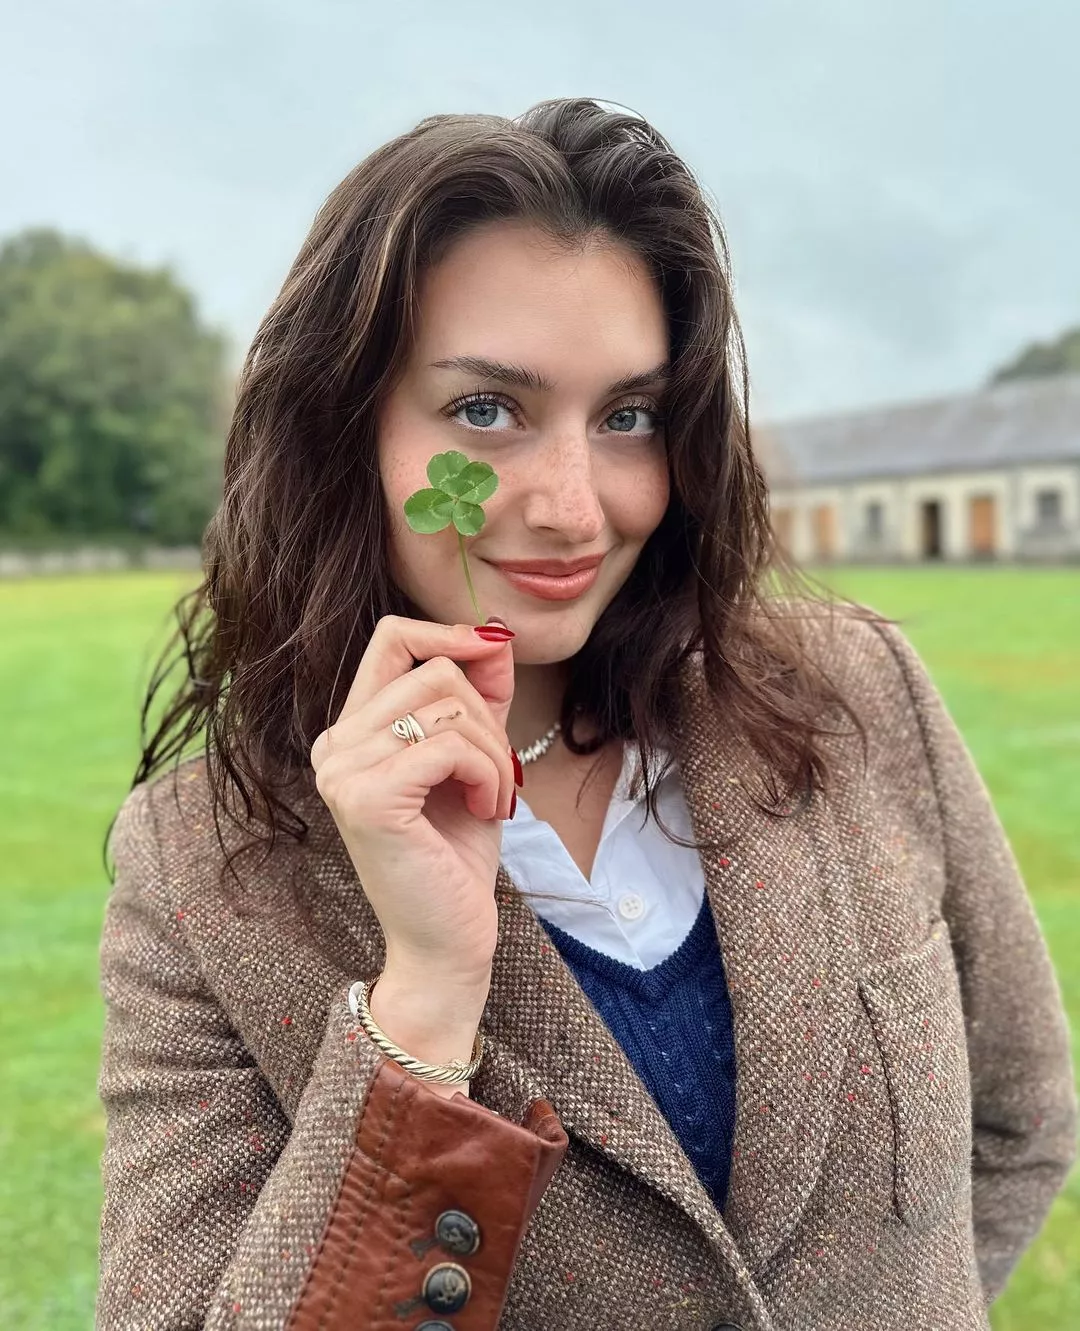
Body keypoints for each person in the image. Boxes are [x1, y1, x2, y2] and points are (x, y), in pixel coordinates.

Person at [95, 97, 1076, 1331]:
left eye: (628, 416)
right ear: (347, 426)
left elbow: (1021, 1118)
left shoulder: (856, 692)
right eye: (486, 409)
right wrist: (421, 1013)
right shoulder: (203, 872)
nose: (573, 508)